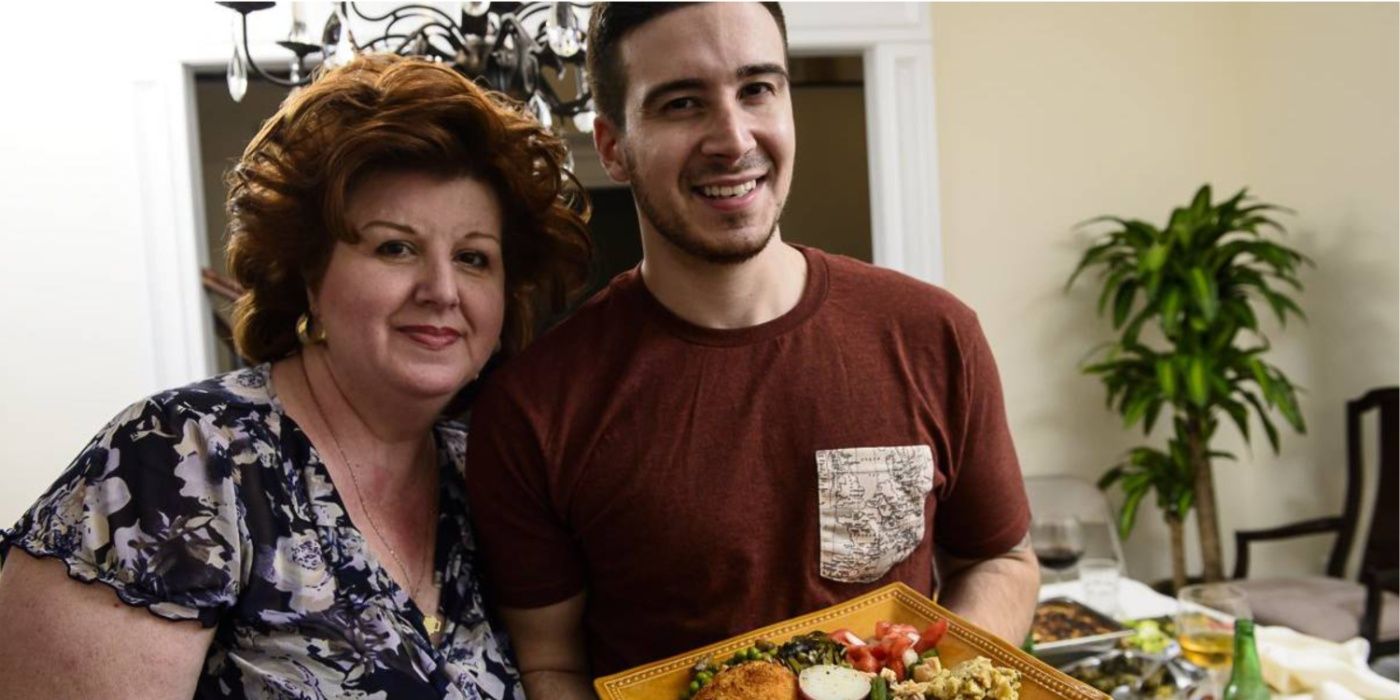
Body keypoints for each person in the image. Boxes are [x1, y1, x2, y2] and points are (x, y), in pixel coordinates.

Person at [463, 2, 1041, 697]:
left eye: (757, 89)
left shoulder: (934, 333)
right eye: (682, 103)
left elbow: (999, 559)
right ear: (613, 146)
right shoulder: (534, 407)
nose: (733, 139)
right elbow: (551, 661)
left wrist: (938, 687)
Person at [0, 53, 590, 699]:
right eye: (395, 247)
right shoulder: (181, 457)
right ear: (309, 275)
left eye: (474, 258)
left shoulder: (492, 473)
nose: (442, 290)